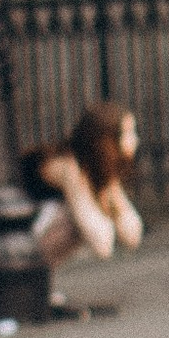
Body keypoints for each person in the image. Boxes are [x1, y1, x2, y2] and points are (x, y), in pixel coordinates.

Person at [23, 100, 144, 296]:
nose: (135, 140)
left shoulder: (95, 168)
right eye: (129, 133)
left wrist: (110, 188)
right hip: (25, 234)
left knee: (79, 221)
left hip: (34, 230)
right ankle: (30, 280)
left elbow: (132, 235)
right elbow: (102, 244)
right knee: (74, 222)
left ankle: (37, 283)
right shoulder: (66, 166)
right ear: (107, 140)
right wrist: (106, 195)